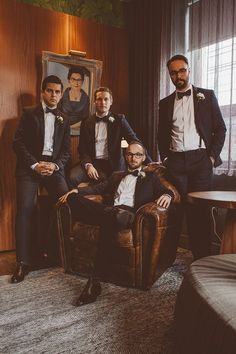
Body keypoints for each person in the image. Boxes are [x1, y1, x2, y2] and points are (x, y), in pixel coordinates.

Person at [59, 141, 173, 306]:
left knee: (111, 217)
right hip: (113, 213)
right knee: (75, 199)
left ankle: (94, 282)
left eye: (138, 154)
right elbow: (97, 189)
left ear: (143, 157)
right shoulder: (116, 175)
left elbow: (166, 191)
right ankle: (95, 282)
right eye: (130, 154)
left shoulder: (151, 177)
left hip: (130, 215)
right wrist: (76, 191)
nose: (133, 158)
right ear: (126, 156)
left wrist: (168, 195)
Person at [157, 54, 226, 260]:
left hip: (201, 162)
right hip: (176, 162)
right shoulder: (165, 103)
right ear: (169, 75)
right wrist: (166, 159)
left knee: (200, 214)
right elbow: (161, 135)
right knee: (175, 211)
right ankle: (166, 260)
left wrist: (211, 158)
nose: (178, 75)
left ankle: (201, 261)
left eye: (182, 70)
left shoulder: (207, 96)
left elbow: (220, 129)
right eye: (173, 72)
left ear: (188, 70)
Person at [11, 75, 71, 283]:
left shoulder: (65, 117)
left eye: (57, 91)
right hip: (30, 168)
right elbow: (17, 143)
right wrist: (36, 165)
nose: (53, 95)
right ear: (42, 92)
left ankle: (56, 253)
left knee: (66, 203)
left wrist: (55, 166)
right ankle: (23, 262)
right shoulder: (29, 113)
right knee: (26, 208)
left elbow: (65, 152)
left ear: (61, 94)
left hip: (53, 169)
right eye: (50, 91)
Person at [68, 86, 152, 188]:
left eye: (106, 99)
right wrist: (89, 165)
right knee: (72, 177)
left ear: (111, 101)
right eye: (99, 99)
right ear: (94, 102)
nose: (102, 102)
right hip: (93, 163)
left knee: (113, 183)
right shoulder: (86, 122)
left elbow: (134, 141)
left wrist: (150, 163)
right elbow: (82, 149)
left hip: (113, 165)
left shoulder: (119, 120)